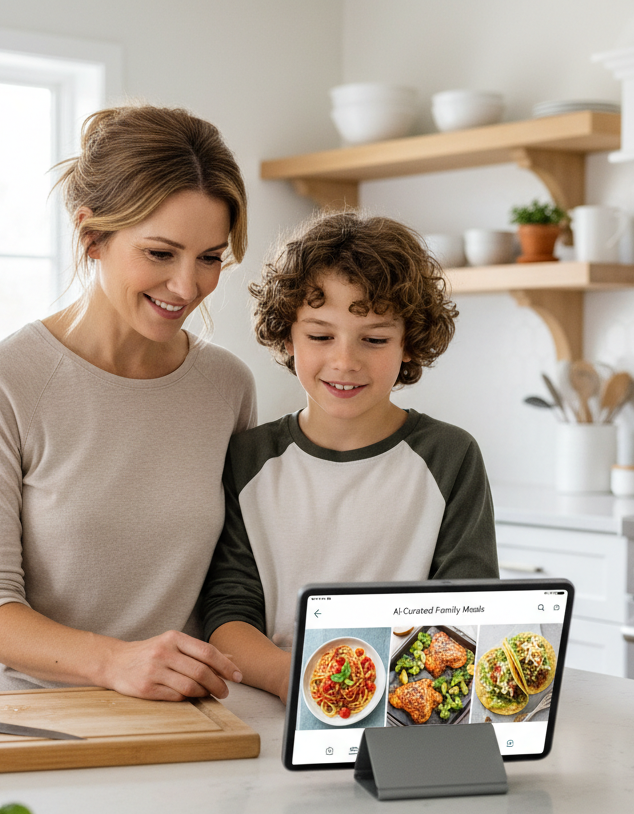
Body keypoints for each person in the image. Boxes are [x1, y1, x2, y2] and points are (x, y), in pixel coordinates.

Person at [0, 104, 256, 700]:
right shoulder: (1, 382)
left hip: (170, 719)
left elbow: (231, 582)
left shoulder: (227, 386)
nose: (186, 286)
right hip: (20, 720)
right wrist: (114, 662)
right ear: (92, 235)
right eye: (160, 253)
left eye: (210, 258)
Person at [202, 211, 498, 702]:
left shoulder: (450, 457)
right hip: (277, 701)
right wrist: (299, 682)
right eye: (321, 336)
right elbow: (228, 612)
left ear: (408, 343)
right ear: (288, 335)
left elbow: (468, 611)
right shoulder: (248, 458)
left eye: (374, 339)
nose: (344, 361)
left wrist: (389, 693)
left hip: (409, 703)